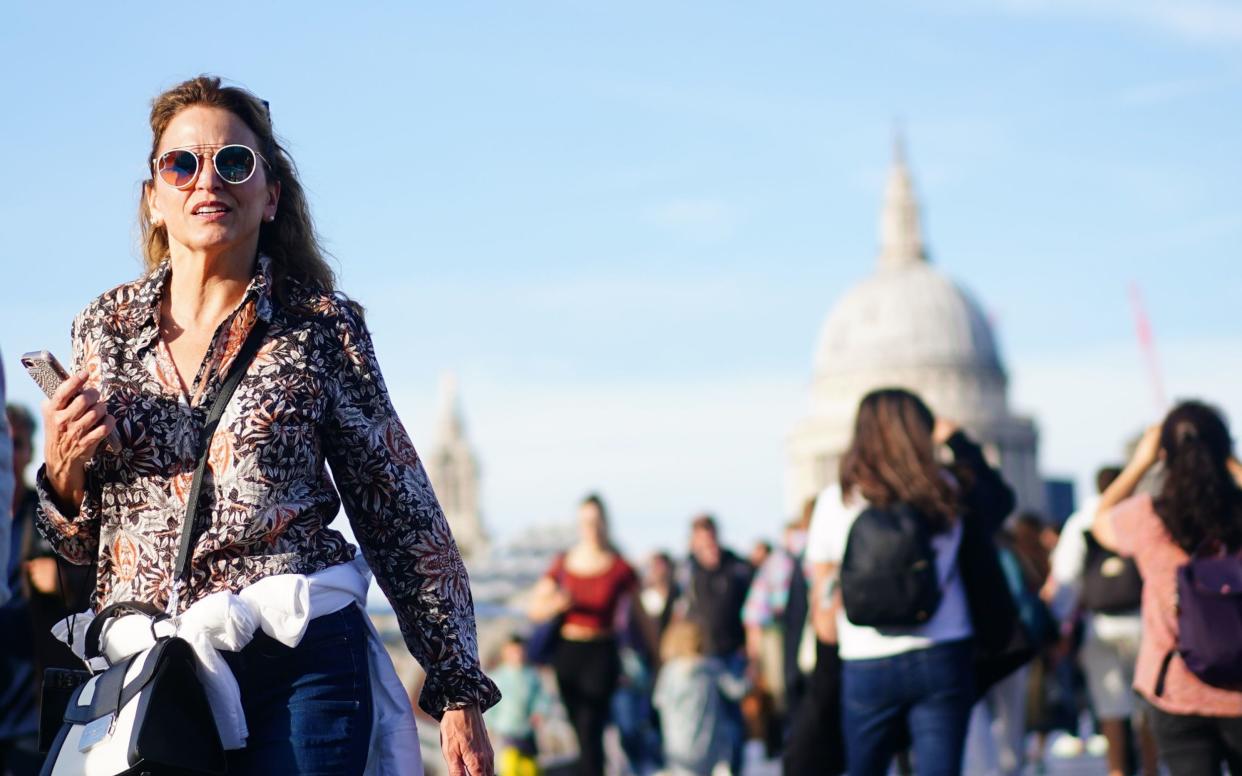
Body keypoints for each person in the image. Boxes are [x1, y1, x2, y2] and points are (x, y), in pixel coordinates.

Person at [34, 75, 498, 775]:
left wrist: (457, 687)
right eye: (181, 164)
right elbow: (75, 548)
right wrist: (63, 472)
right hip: (151, 671)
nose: (206, 182)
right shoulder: (102, 329)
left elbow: (397, 503)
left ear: (270, 194)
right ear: (154, 200)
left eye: (234, 163)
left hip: (300, 659)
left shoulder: (321, 327)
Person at [805, 388, 1020, 775]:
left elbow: (823, 610)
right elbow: (1001, 500)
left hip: (865, 655)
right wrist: (957, 440)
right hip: (942, 648)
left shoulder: (836, 501)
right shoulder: (947, 491)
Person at [1092, 401, 1242, 773]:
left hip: (1174, 684)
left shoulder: (1147, 517)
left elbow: (1100, 521)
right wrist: (1226, 459)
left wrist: (1141, 461)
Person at [1046, 465, 1157, 776]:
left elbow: (1066, 579)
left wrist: (1063, 627)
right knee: (1146, 705)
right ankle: (1150, 768)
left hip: (1100, 624)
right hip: (1143, 622)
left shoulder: (1083, 520)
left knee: (1110, 705)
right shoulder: (1140, 513)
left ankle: (1117, 769)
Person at [528, 493, 638, 776]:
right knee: (580, 727)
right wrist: (556, 604)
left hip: (601, 652)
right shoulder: (564, 563)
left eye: (596, 521)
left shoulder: (619, 567)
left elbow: (641, 612)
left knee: (592, 725)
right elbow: (534, 608)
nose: (591, 527)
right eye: (585, 522)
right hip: (568, 653)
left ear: (605, 523)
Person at [680, 515, 754, 773]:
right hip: (702, 657)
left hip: (733, 653)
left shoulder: (737, 568)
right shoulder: (688, 573)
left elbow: (754, 610)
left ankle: (735, 768)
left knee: (733, 720)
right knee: (703, 721)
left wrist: (751, 650)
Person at [652, 620, 748, 776]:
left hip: (678, 745)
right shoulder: (712, 667)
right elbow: (736, 690)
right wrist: (751, 675)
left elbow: (659, 702)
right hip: (710, 742)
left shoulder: (669, 672)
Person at [491, 635, 549, 776]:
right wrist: (489, 725)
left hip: (527, 731)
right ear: (505, 653)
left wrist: (540, 712)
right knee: (509, 767)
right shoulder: (498, 677)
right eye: (513, 652)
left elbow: (542, 698)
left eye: (520, 651)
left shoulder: (532, 676)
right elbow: (489, 705)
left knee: (531, 769)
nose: (517, 655)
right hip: (506, 731)